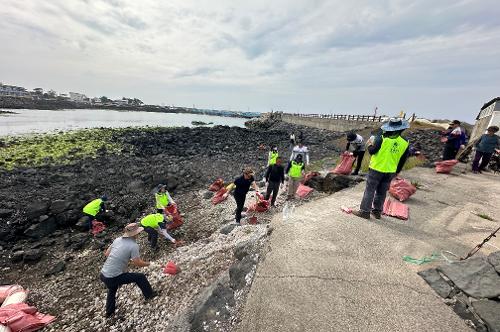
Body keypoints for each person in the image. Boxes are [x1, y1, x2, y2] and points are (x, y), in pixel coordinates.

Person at [353, 118, 410, 220]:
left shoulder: (381, 138)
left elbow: (372, 151)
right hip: (390, 171)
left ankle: (365, 211)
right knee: (382, 191)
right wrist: (397, 171)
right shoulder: (405, 142)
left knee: (370, 190)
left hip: (376, 169)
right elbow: (403, 159)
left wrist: (370, 144)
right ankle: (377, 212)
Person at [100, 223, 157, 318]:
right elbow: (138, 263)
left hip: (103, 274)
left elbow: (107, 254)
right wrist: (149, 264)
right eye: (138, 233)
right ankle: (149, 295)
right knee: (140, 277)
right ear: (135, 234)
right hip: (113, 276)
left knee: (112, 288)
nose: (138, 234)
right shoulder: (133, 245)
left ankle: (109, 312)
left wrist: (124, 258)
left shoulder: (117, 240)